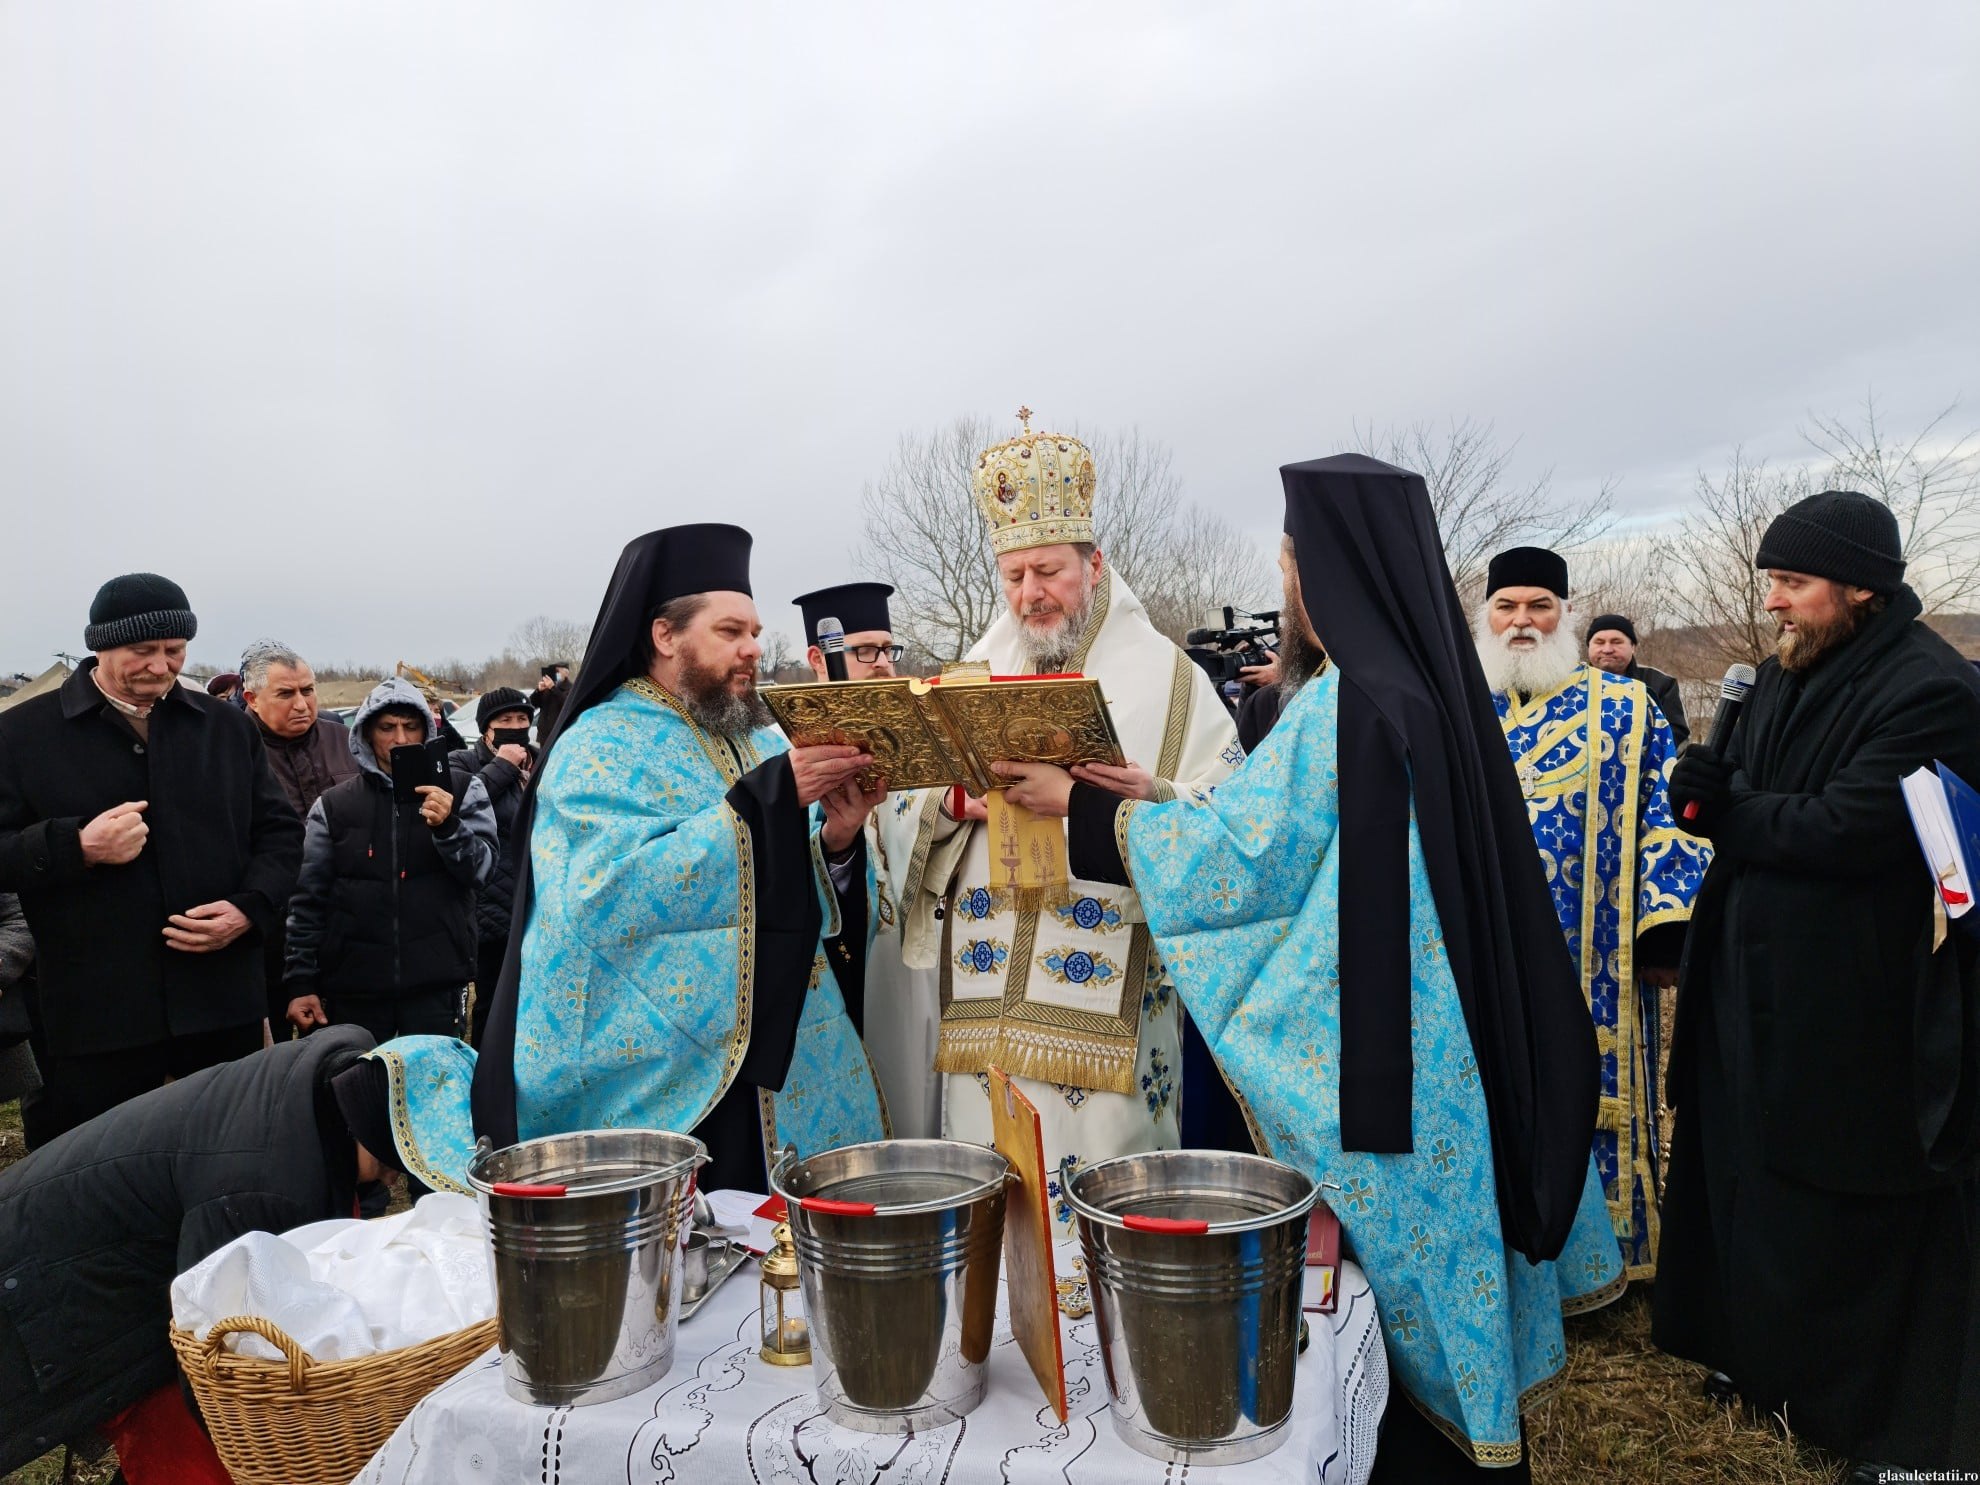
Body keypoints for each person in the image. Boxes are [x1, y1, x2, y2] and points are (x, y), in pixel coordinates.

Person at [1001, 454, 1620, 1480]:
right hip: (1451, 1044)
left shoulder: (1350, 700)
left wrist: (1082, 808)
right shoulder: (1426, 685)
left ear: (1321, 572)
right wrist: (1152, 793)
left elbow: (1249, 864)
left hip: (1393, 1070)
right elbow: (1295, 838)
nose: (1287, 587)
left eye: (1290, 563)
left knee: (1406, 1318)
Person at [1654, 490, 1980, 1476]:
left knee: (1829, 1199)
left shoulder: (1931, 691)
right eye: (1772, 584)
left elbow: (1847, 829)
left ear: (1861, 590)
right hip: (1747, 982)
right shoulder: (1792, 672)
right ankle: (1761, 1363)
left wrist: (1723, 811)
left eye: (1793, 584)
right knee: (1747, 1172)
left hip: (1851, 1001)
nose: (1774, 606)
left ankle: (1844, 1400)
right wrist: (1699, 785)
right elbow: (1746, 789)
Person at [876, 415, 1242, 1226]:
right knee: (996, 1205)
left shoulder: (1171, 683)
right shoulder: (976, 667)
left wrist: (1134, 794)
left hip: (1107, 1015)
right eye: (1013, 576)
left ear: (1094, 562)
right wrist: (950, 803)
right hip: (984, 1013)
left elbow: (1229, 826)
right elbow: (898, 815)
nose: (1030, 594)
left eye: (1048, 570)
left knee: (1105, 1208)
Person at [472, 524, 888, 1191]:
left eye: (754, 630)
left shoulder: (749, 739)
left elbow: (782, 886)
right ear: (666, 635)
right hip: (678, 1081)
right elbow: (603, 895)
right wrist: (770, 799)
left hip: (781, 1062)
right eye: (730, 632)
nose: (754, 647)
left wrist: (836, 840)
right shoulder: (598, 745)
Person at [0, 1028, 476, 1482]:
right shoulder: (259, 1186)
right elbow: (213, 1357)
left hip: (120, 1266)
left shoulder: (333, 1084)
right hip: (48, 1286)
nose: (396, 1179)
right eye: (401, 1162)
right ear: (376, 1131)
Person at [0, 574, 302, 1147]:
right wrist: (76, 847)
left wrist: (249, 909)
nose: (161, 668)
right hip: (97, 1023)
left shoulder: (226, 727)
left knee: (228, 1160)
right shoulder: (20, 736)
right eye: (143, 651)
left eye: (174, 651)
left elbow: (282, 834)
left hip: (220, 1009)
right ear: (100, 646)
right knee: (99, 1180)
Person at [1474, 547, 1709, 1277]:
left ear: (1564, 614)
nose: (1522, 621)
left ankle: (1609, 1258)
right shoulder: (1462, 712)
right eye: (1507, 606)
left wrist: (1666, 925)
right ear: (1485, 616)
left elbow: (1670, 819)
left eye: (1539, 605)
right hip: (1487, 954)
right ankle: (1506, 1257)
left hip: (1594, 955)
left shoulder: (1627, 708)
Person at [790, 580, 942, 1137]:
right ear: (819, 658)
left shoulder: (919, 734)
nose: (882, 665)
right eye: (864, 651)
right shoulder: (784, 752)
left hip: (918, 960)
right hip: (838, 971)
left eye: (888, 649)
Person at [282, 678, 495, 1046]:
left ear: (426, 729)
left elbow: (482, 872)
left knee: (432, 1095)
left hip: (436, 983)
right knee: (355, 1096)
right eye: (387, 727)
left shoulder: (462, 790)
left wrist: (448, 827)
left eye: (410, 726)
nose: (399, 738)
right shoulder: (334, 806)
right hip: (355, 989)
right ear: (366, 733)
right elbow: (306, 900)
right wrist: (301, 980)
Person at [240, 639, 359, 1026]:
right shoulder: (232, 748)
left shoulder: (344, 741)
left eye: (308, 690)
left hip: (343, 921)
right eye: (285, 694)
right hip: (267, 926)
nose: (302, 704)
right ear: (252, 698)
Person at [447, 686, 535, 1045]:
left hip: (532, 900)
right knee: (492, 1003)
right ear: (486, 728)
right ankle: (485, 1070)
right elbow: (457, 803)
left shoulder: (539, 759)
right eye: (505, 720)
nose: (516, 726)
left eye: (522, 719)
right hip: (489, 908)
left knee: (529, 999)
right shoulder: (463, 762)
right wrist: (503, 765)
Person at [1585, 612, 1690, 747]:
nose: (1607, 649)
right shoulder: (1572, 684)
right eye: (1599, 642)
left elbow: (1677, 734)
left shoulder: (1659, 683)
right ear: (1589, 647)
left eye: (1616, 642)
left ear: (1633, 647)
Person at [531, 662, 572, 743]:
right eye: (553, 672)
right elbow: (532, 704)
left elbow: (568, 704)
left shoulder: (571, 688)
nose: (555, 674)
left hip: (560, 734)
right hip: (544, 736)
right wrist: (538, 691)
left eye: (557, 671)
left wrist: (553, 688)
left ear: (566, 673)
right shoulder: (546, 689)